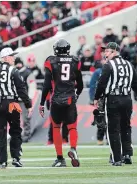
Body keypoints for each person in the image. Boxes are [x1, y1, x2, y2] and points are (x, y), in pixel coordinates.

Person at [94, 42, 137, 166]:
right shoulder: (129, 64)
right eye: (105, 51)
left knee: (113, 129)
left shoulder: (108, 65)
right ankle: (127, 154)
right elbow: (136, 84)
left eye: (107, 51)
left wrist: (96, 98)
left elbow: (101, 83)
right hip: (127, 100)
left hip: (113, 99)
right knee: (126, 127)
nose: (105, 53)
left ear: (115, 52)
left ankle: (117, 158)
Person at [0, 47, 32, 169]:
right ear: (5, 58)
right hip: (11, 103)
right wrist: (28, 104)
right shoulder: (13, 71)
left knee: (0, 133)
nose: (14, 58)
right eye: (11, 56)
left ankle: (2, 161)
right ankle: (16, 158)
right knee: (15, 131)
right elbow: (21, 89)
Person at [39, 39, 83, 167]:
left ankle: (60, 158)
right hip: (70, 98)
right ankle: (73, 148)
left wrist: (42, 102)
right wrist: (77, 93)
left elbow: (46, 84)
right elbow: (80, 84)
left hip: (56, 99)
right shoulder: (75, 60)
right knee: (72, 127)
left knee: (56, 128)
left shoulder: (50, 60)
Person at [14, 57, 32, 142]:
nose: (18, 65)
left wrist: (29, 98)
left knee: (25, 118)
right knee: (14, 119)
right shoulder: (13, 72)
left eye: (19, 63)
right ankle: (16, 135)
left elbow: (32, 86)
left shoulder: (27, 73)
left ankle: (26, 135)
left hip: (24, 99)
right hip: (15, 99)